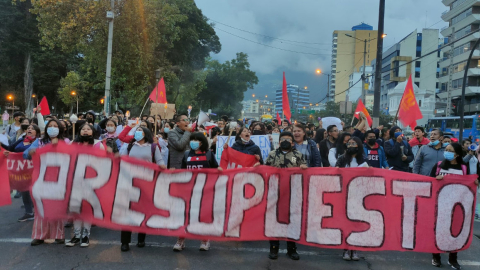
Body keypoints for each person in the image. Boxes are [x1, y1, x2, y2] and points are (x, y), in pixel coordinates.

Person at [173, 132, 222, 252]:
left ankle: (205, 240)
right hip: (189, 190)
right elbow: (183, 171)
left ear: (202, 142)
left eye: (197, 140)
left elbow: (215, 169)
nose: (193, 142)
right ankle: (181, 240)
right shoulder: (186, 154)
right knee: (185, 215)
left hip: (205, 190)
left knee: (203, 216)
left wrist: (219, 170)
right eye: (192, 139)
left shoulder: (209, 154)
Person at [119, 126, 165, 252]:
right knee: (127, 213)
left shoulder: (152, 147)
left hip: (146, 183)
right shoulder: (129, 146)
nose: (137, 133)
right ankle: (125, 242)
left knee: (143, 211)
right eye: (136, 130)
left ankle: (141, 238)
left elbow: (160, 160)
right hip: (130, 182)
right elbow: (122, 160)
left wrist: (163, 168)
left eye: (140, 130)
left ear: (146, 134)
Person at [430, 143, 475, 270]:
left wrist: (475, 182)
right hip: (439, 204)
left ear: (457, 154)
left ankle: (453, 259)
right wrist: (435, 179)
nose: (447, 152)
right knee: (438, 231)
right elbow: (429, 181)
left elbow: (470, 182)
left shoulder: (464, 167)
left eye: (450, 150)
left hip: (458, 205)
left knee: (456, 232)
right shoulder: (439, 165)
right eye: (446, 150)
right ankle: (436, 257)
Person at [24, 119, 67, 246]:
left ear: (60, 129)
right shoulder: (39, 141)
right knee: (40, 206)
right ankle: (39, 235)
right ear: (46, 129)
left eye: (55, 126)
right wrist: (31, 152)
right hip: (40, 177)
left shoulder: (65, 142)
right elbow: (26, 154)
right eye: (50, 126)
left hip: (58, 178)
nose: (52, 128)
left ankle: (59, 234)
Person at [265, 131, 307, 261]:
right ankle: (273, 248)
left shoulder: (298, 155)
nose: (285, 141)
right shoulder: (272, 154)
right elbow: (265, 170)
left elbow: (305, 172)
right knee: (273, 221)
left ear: (292, 142)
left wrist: (304, 168)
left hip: (293, 193)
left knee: (292, 221)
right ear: (279, 141)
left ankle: (291, 249)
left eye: (288, 139)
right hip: (275, 193)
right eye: (283, 139)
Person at [66, 123, 107, 248]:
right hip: (75, 179)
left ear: (92, 132)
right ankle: (76, 235)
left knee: (87, 208)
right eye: (83, 129)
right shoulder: (73, 143)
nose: (85, 131)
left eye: (88, 129)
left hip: (91, 181)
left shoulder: (98, 145)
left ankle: (86, 235)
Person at [335, 137, 367, 261]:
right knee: (346, 222)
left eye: (353, 143)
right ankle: (346, 249)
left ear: (358, 145)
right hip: (344, 193)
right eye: (349, 143)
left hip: (359, 194)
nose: (351, 145)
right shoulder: (342, 158)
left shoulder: (363, 159)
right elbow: (335, 173)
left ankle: (355, 249)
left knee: (357, 222)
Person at [2, 124, 41, 222]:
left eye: (32, 129)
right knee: (24, 191)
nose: (29, 129)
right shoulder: (21, 140)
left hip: (35, 169)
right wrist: (2, 145)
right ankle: (29, 212)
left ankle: (40, 211)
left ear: (37, 132)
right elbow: (10, 148)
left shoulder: (39, 142)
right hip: (22, 171)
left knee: (35, 191)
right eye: (28, 128)